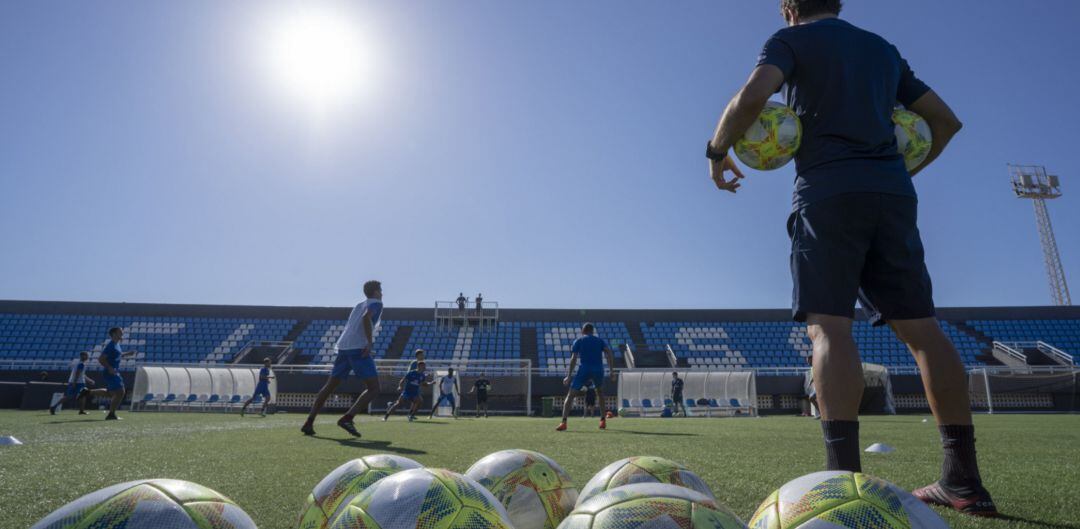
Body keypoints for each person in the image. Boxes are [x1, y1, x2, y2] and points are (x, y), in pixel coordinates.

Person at [706, 0, 993, 516]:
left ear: (789, 8)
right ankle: (964, 482)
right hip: (893, 194)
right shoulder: (881, 49)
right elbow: (945, 122)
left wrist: (716, 150)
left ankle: (841, 482)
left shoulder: (790, 41)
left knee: (830, 329)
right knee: (924, 332)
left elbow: (753, 97)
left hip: (827, 193)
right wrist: (898, 175)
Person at [302, 280, 383, 438]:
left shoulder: (359, 304)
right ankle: (347, 418)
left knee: (329, 386)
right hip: (358, 348)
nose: (382, 292)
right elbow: (367, 318)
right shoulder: (377, 303)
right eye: (380, 290)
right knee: (374, 388)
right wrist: (369, 342)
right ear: (375, 292)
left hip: (343, 347)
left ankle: (309, 422)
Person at [556, 323, 616, 431]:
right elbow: (609, 353)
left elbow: (573, 358)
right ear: (592, 331)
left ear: (583, 331)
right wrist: (611, 371)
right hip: (598, 369)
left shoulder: (579, 340)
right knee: (600, 393)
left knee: (570, 395)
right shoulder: (599, 341)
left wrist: (568, 376)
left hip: (584, 369)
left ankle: (563, 422)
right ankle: (602, 420)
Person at [82, 328, 136, 420]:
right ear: (114, 334)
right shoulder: (111, 345)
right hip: (110, 372)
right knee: (120, 392)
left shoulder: (117, 344)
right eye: (120, 331)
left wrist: (127, 354)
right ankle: (111, 414)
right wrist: (109, 368)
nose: (122, 332)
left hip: (114, 371)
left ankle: (87, 392)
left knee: (112, 393)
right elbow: (101, 359)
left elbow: (117, 355)